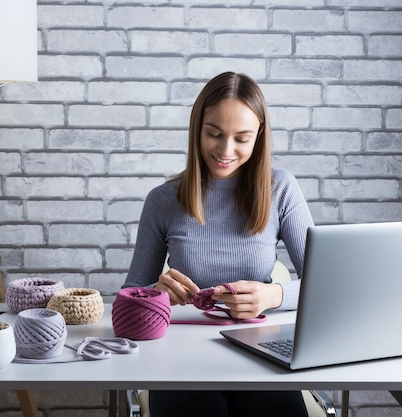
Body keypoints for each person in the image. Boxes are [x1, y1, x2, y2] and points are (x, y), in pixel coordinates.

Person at [123, 71, 314, 417]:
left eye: (242, 138)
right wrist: (157, 291)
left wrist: (273, 295)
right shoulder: (163, 200)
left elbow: (326, 288)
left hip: (262, 352)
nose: (226, 151)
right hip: (182, 356)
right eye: (214, 134)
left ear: (259, 137)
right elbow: (127, 304)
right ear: (197, 129)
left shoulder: (281, 189)